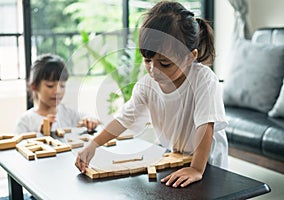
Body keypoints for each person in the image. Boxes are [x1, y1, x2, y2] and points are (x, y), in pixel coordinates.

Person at [75, 0, 228, 188]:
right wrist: (93, 144)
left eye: (165, 63)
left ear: (190, 57)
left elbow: (205, 126)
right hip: (178, 157)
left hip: (207, 163)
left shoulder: (204, 79)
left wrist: (196, 168)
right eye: (148, 60)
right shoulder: (147, 85)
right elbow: (124, 119)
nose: (154, 70)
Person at [14, 53, 99, 134]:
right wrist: (41, 134)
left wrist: (90, 122)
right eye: (50, 86)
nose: (57, 91)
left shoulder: (70, 114)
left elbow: (94, 120)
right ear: (34, 86)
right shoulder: (25, 122)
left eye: (62, 86)